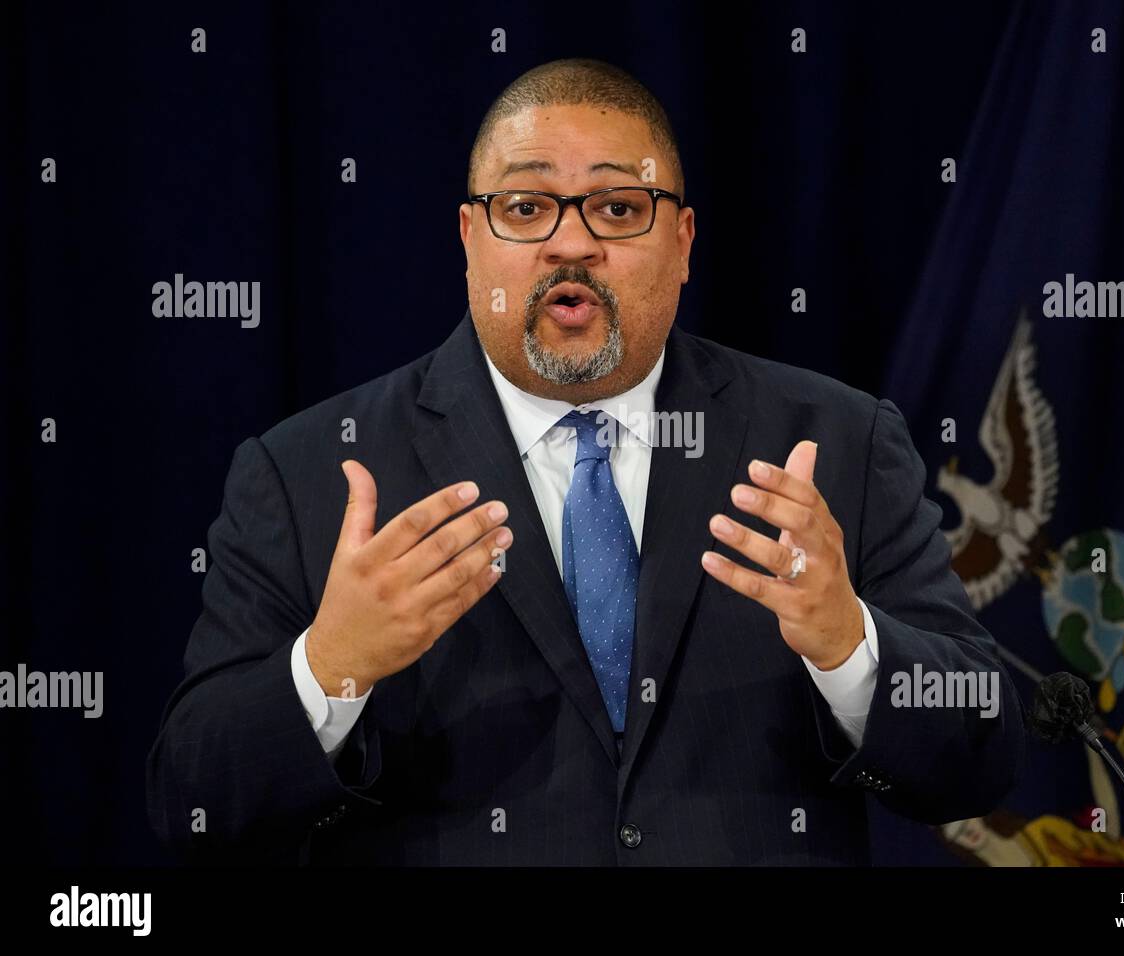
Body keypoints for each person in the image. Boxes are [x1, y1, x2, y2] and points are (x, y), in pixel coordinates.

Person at [146, 58, 1024, 865]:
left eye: (618, 209)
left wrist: (849, 648)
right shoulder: (311, 472)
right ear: (469, 239)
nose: (572, 244)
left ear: (682, 244)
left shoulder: (834, 441)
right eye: (526, 209)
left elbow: (982, 755)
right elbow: (195, 801)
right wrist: (331, 665)